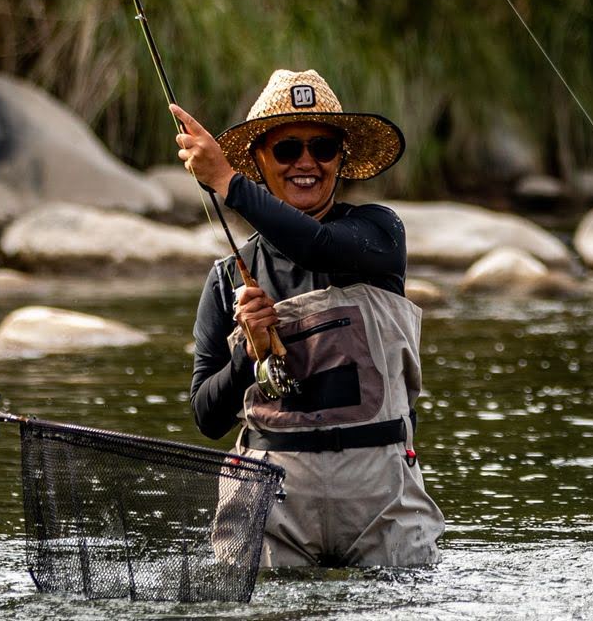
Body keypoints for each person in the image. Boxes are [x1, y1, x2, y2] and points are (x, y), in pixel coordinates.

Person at [174, 67, 443, 568]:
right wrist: (245, 356)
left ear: (341, 160)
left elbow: (314, 245)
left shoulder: (377, 235)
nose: (306, 162)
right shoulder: (225, 277)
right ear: (258, 160)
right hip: (272, 499)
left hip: (380, 495)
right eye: (286, 149)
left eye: (322, 148)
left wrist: (224, 182)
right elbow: (207, 418)